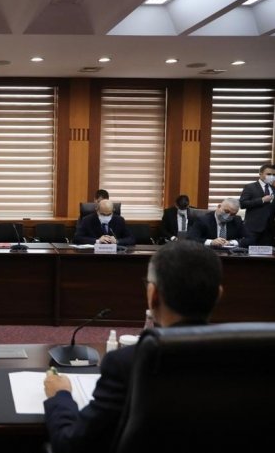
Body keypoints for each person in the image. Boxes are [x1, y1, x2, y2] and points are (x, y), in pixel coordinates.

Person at [43, 239, 223, 453]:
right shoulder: (245, 359)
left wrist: (60, 395)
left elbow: (71, 445)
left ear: (152, 295)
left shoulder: (128, 363)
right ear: (218, 295)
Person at [188, 198, 254, 248]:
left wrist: (231, 242)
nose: (228, 216)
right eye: (226, 211)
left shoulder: (237, 220)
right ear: (219, 206)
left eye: (232, 214)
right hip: (209, 254)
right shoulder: (203, 220)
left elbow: (250, 239)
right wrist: (211, 242)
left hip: (231, 256)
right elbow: (191, 239)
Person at [239, 164, 275, 246]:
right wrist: (262, 200)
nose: (271, 176)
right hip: (253, 228)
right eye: (269, 174)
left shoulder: (273, 189)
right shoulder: (250, 187)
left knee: (267, 253)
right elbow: (242, 204)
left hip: (269, 230)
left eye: (273, 175)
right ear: (260, 174)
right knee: (249, 251)